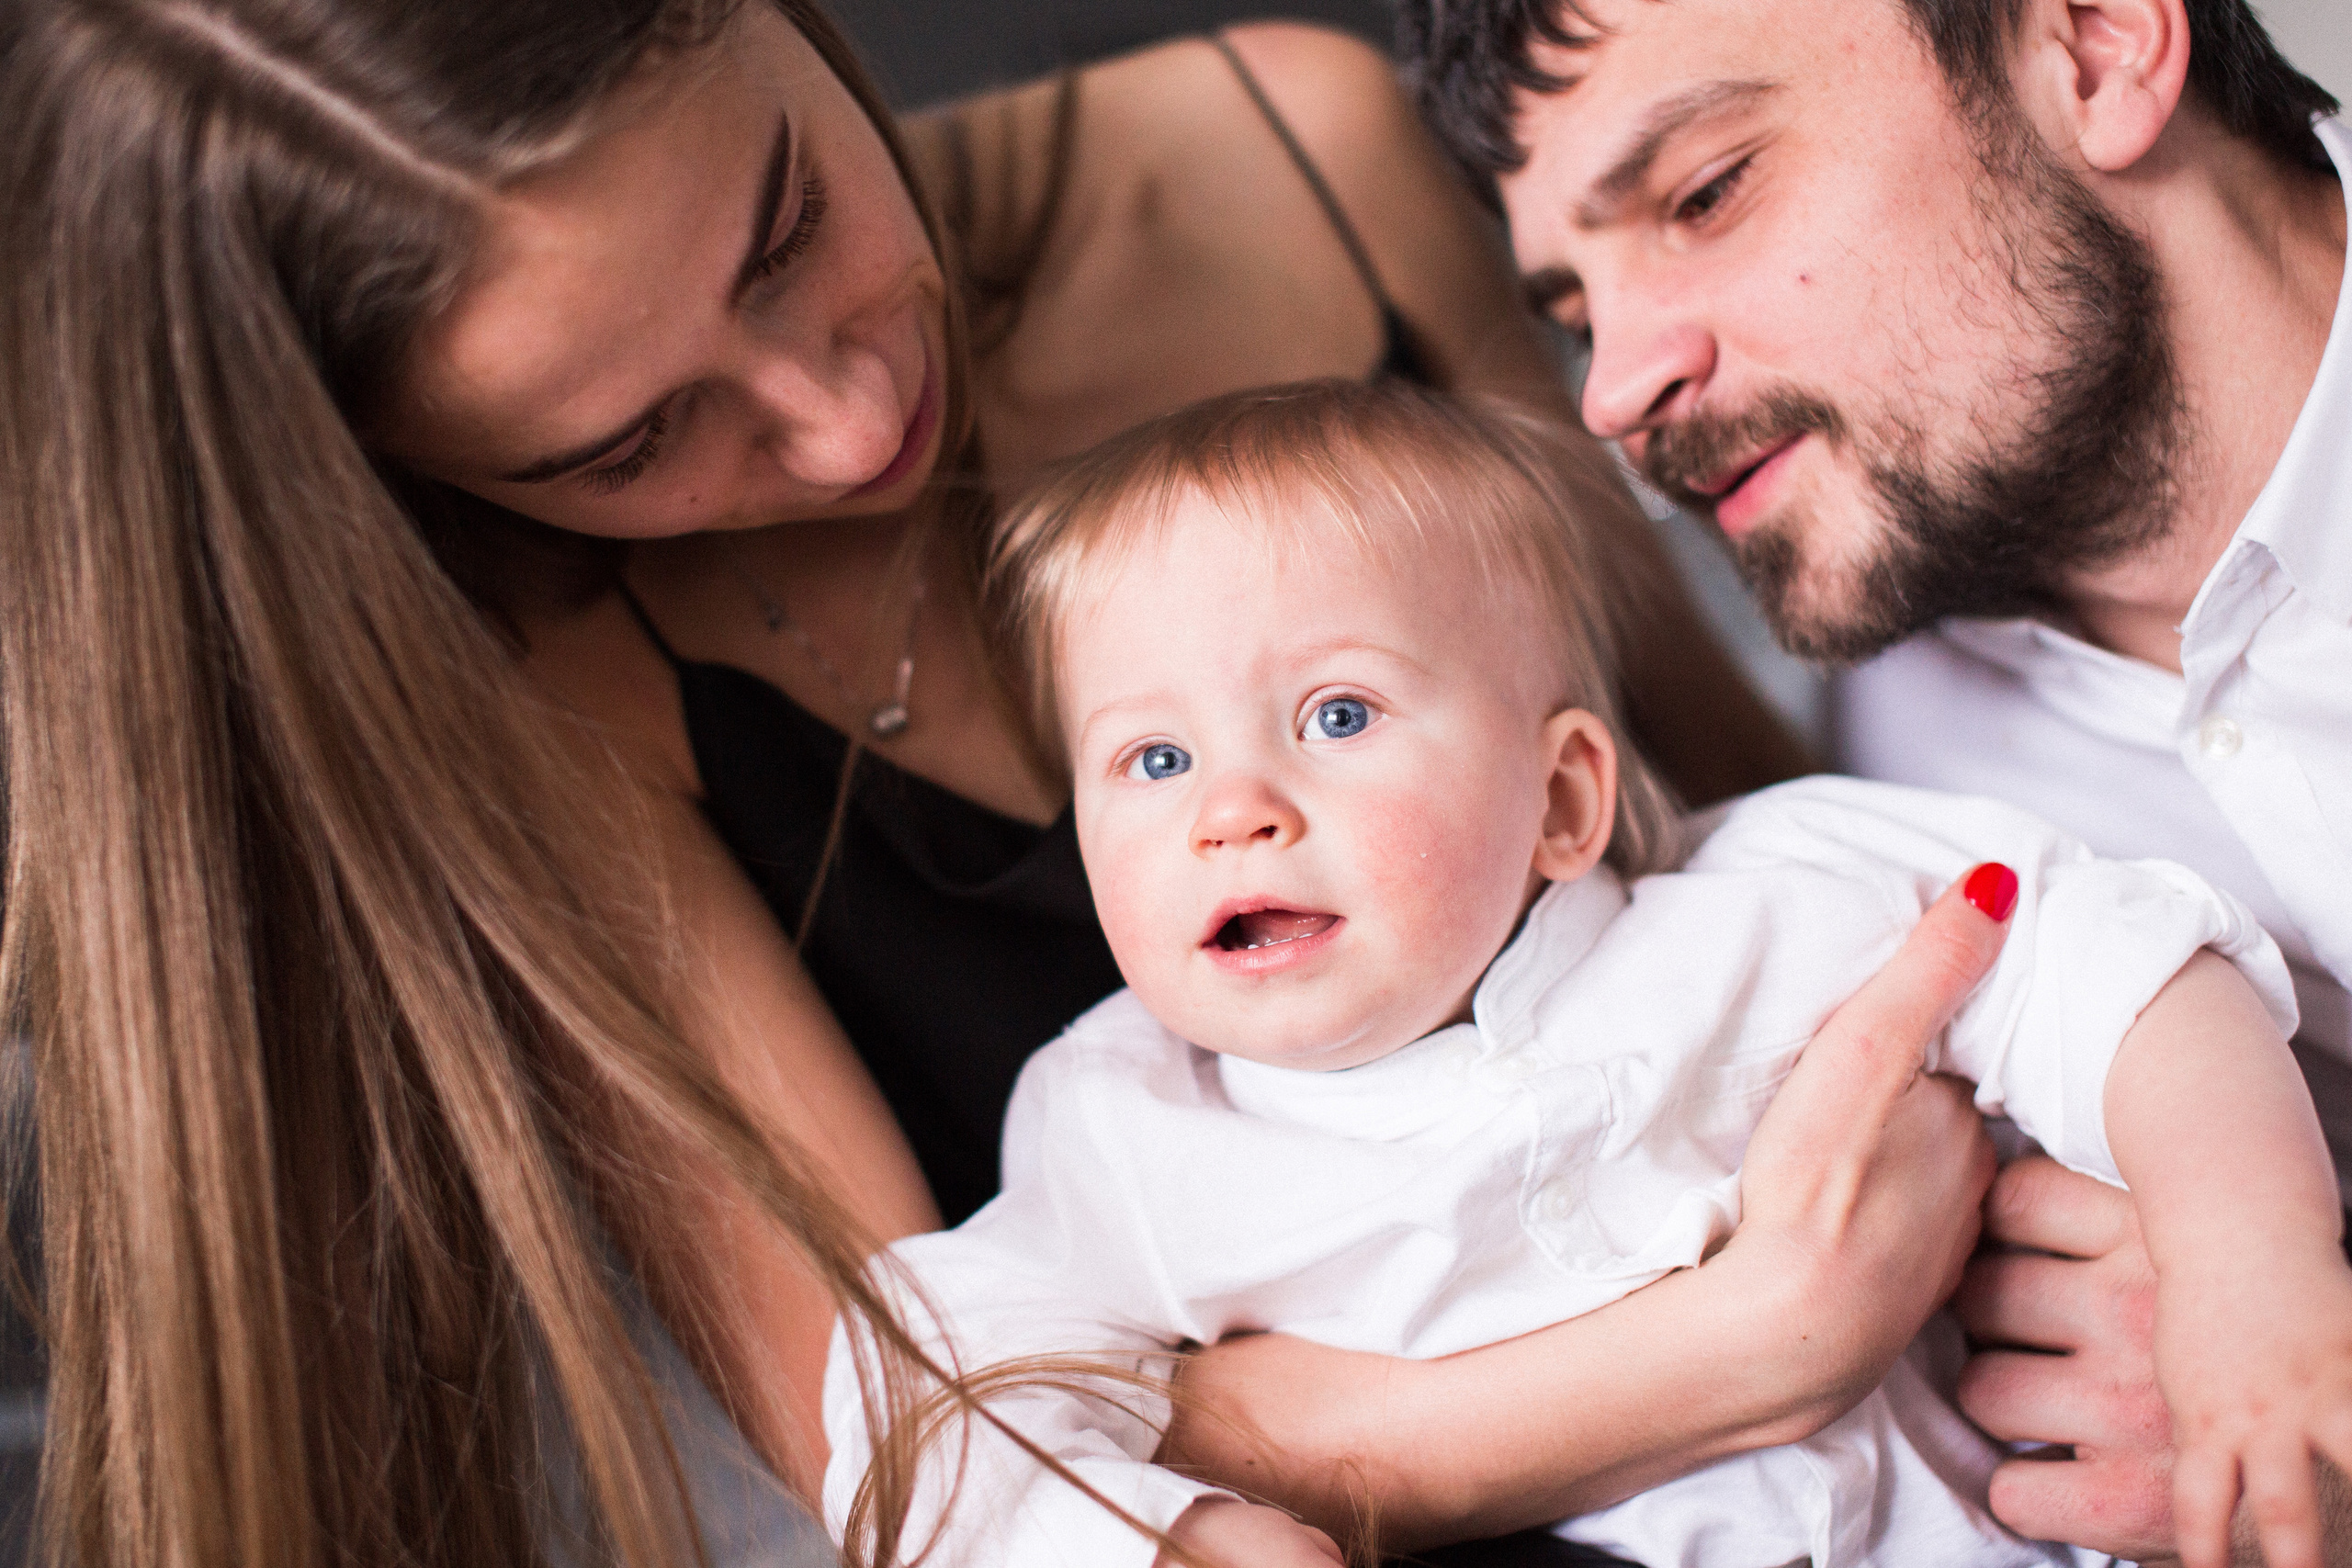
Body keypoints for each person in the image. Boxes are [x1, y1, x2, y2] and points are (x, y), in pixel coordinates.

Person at [3, 1, 2014, 1564]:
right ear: (420, 477)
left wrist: (2026, 1182)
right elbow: (926, 1451)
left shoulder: (1282, 163)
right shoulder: (545, 709)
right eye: (626, 445)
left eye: (787, 227)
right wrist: (1748, 1339)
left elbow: (1713, 816)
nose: (844, 410)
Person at [823, 378, 2336, 1568]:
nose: (1235, 808)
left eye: (1337, 715)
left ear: (1560, 802)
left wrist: (2253, 1271)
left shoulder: (1767, 912)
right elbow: (923, 1392)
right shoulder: (1126, 1130)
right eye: (1154, 758)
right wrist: (1166, 1540)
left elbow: (2132, 970)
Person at [1392, 0, 2349, 1561]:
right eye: (1574, 312)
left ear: (2098, 45)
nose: (1611, 393)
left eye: (1706, 193)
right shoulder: (1890, 768)